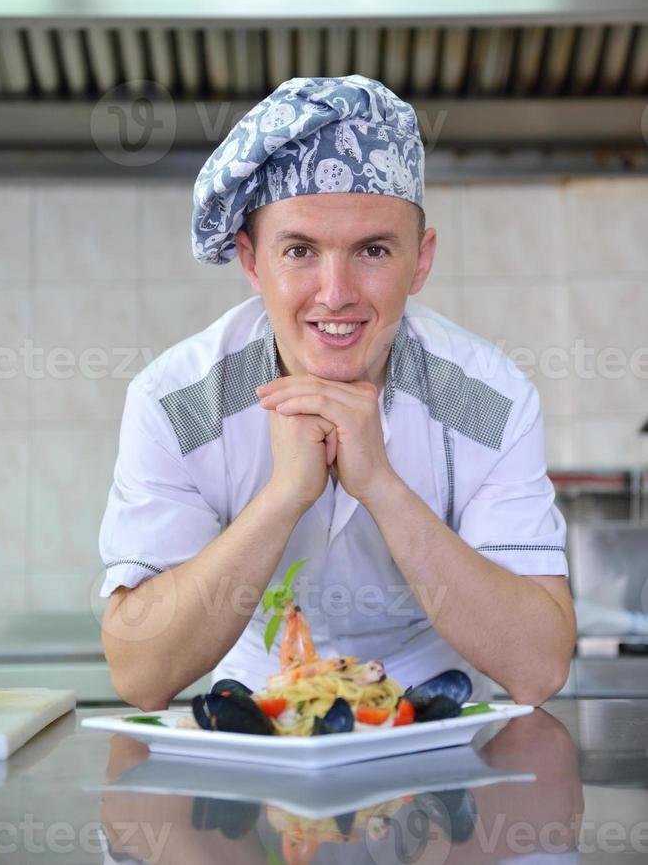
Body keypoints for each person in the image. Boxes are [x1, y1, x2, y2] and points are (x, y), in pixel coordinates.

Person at [99, 74, 576, 711]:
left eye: (373, 250)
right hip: (254, 718)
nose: (336, 293)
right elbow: (139, 673)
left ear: (421, 260)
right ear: (251, 261)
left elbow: (540, 666)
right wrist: (283, 497)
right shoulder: (175, 402)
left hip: (433, 729)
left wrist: (380, 483)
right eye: (299, 250)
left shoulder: (493, 400)